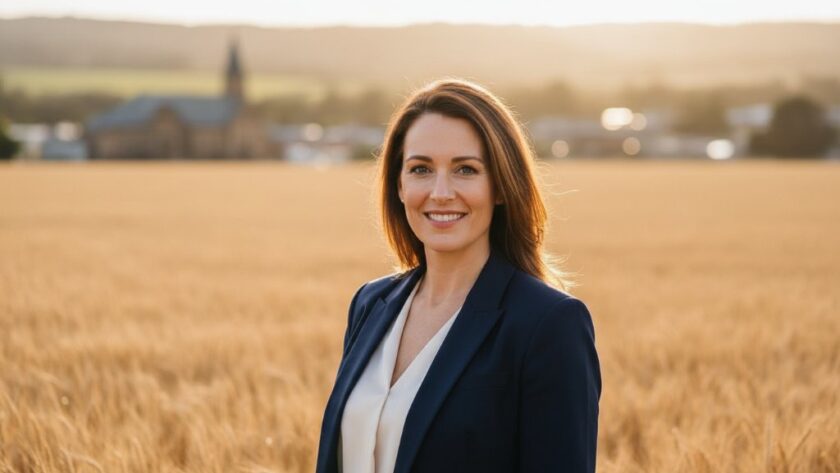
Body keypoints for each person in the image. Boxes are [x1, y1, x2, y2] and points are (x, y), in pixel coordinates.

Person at [316, 78, 601, 473]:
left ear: (500, 186)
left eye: (465, 170)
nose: (441, 191)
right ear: (398, 184)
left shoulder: (548, 325)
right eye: (421, 169)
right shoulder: (370, 303)